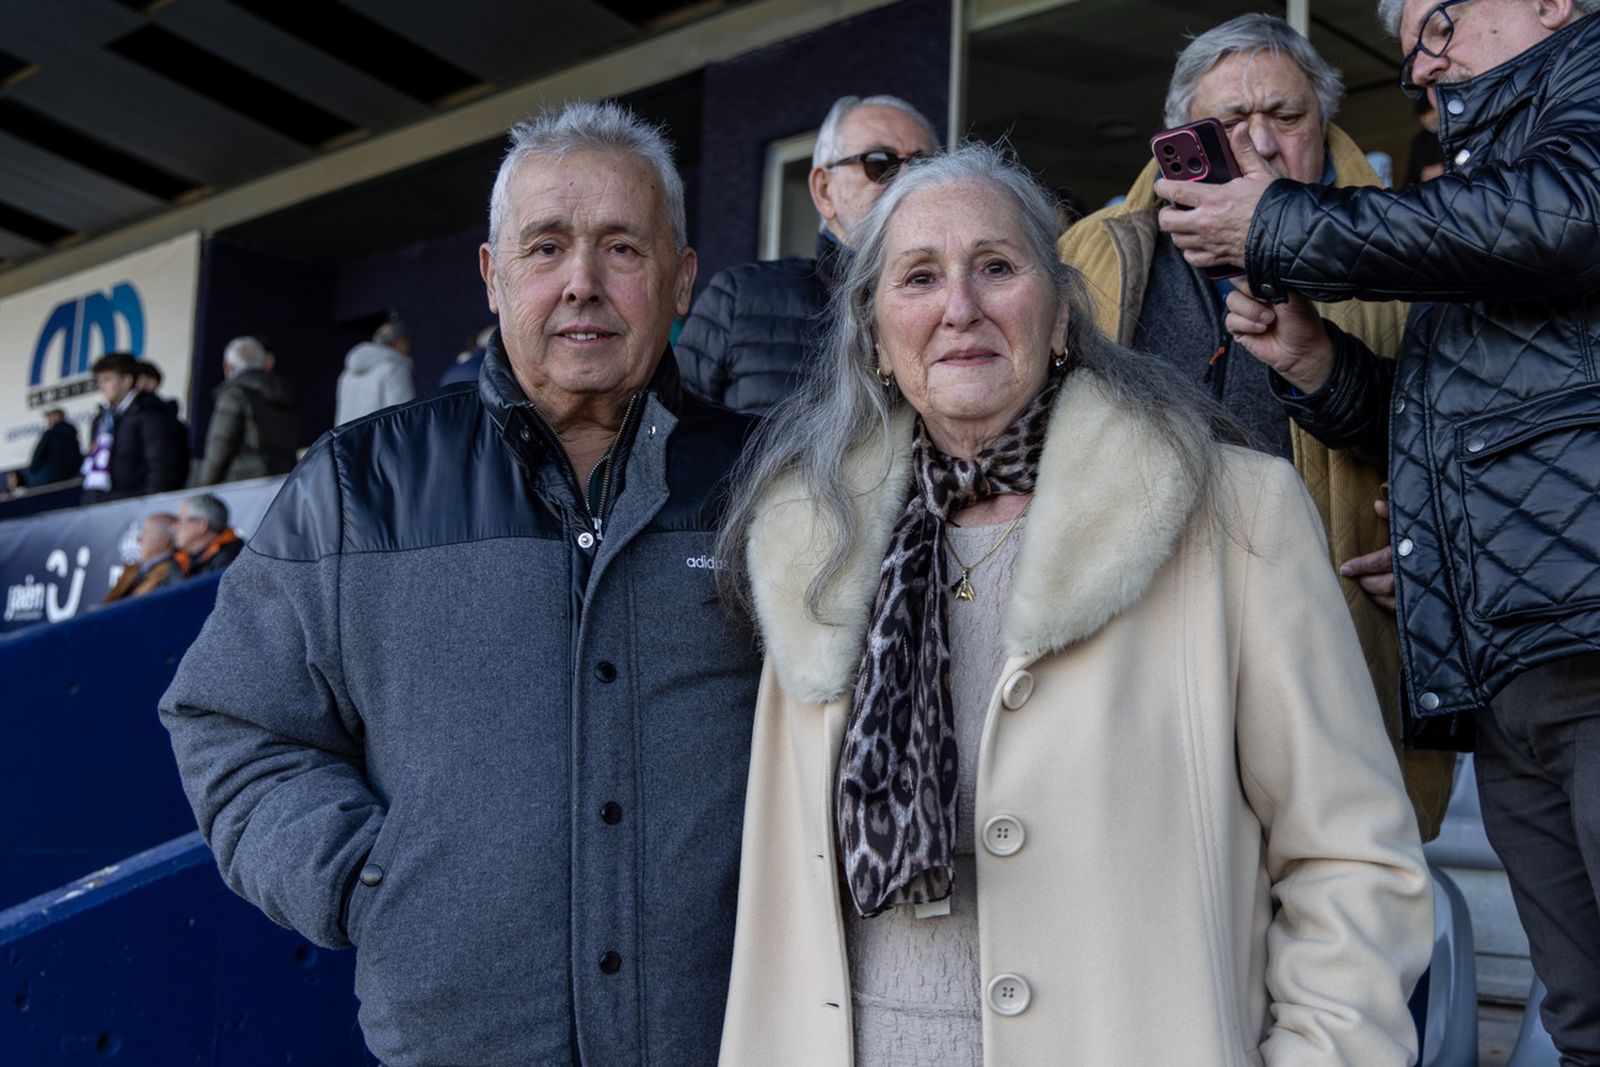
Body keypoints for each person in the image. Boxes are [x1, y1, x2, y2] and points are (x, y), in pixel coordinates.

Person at [715, 143, 1430, 1066]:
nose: (959, 307)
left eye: (997, 267)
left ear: (1059, 315)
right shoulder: (814, 549)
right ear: (876, 341)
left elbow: (1351, 856)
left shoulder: (1232, 512)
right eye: (919, 277)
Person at [160, 101, 760, 1066]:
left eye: (622, 249)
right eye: (547, 247)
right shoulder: (359, 487)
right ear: (492, 274)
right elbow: (231, 719)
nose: (582, 284)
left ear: (681, 276)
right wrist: (362, 878)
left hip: (733, 1039)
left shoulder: (770, 483)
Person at [1156, 0, 1600, 1056]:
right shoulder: (1488, 182)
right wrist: (1316, 364)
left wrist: (1275, 226)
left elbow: (1569, 211)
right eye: (1407, 47)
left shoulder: (1549, 158)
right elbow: (1459, 425)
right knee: (1582, 1015)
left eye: (1438, 19)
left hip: (1586, 648)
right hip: (1512, 666)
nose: (1423, 64)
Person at [1060, 12, 1454, 841]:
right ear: (1180, 141)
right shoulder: (1087, 260)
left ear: (1325, 127)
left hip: (1335, 669)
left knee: (1356, 926)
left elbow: (1458, 448)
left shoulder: (1407, 258)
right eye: (1232, 124)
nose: (1263, 146)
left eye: (1287, 116)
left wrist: (1444, 548)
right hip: (1142, 675)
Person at [675, 94, 940, 414]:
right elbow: (666, 441)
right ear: (824, 191)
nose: (906, 180)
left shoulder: (957, 310)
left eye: (925, 166)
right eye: (880, 162)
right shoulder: (739, 299)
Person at [79, 352, 186, 505]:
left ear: (126, 381)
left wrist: (149, 507)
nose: (101, 386)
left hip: (133, 508)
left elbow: (161, 469)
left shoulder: (151, 414)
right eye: (99, 381)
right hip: (100, 506)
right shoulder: (101, 419)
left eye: (107, 379)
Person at [198, 336, 300, 485]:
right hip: (283, 482)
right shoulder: (284, 392)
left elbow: (219, 446)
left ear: (229, 367)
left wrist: (203, 485)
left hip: (242, 484)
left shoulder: (235, 394)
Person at [334, 319, 415, 424]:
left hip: (348, 440)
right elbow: (403, 416)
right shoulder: (394, 369)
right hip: (380, 440)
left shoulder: (347, 375)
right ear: (400, 343)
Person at [104, 513, 180, 602]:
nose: (138, 539)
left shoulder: (171, 573)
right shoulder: (134, 570)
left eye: (145, 533)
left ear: (161, 540)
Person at [172, 494, 242, 579]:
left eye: (181, 520)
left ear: (201, 525)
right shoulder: (179, 561)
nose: (175, 527)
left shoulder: (231, 560)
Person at [21, 408, 83, 488]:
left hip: (50, 477)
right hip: (69, 475)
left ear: (56, 417)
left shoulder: (50, 434)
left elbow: (38, 456)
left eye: (50, 417)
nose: (48, 420)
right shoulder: (72, 434)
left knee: (31, 486)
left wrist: (33, 470)